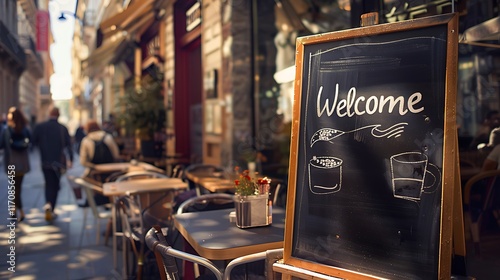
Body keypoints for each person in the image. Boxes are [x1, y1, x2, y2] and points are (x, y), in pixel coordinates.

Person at [32, 107, 73, 223]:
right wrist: (71, 159)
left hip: (45, 162)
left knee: (48, 184)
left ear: (49, 114)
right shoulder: (62, 128)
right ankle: (52, 207)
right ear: (58, 115)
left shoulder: (40, 127)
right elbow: (69, 145)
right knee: (55, 185)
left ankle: (48, 204)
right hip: (58, 164)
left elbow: (32, 142)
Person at [0, 107, 31, 222]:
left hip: (11, 162)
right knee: (17, 187)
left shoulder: (6, 130)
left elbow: (1, 144)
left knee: (14, 187)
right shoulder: (25, 128)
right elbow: (30, 141)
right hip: (22, 163)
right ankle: (16, 211)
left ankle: (16, 211)